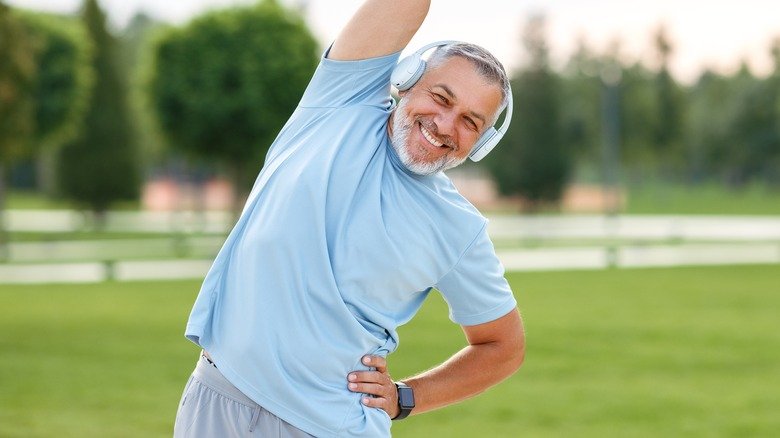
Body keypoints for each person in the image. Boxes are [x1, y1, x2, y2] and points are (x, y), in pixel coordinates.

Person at [174, 1, 525, 436]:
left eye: (470, 121)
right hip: (217, 398)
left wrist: (407, 397)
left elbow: (503, 347)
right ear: (405, 82)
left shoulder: (460, 230)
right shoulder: (338, 103)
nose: (445, 124)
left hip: (329, 427)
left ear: (481, 143)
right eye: (441, 97)